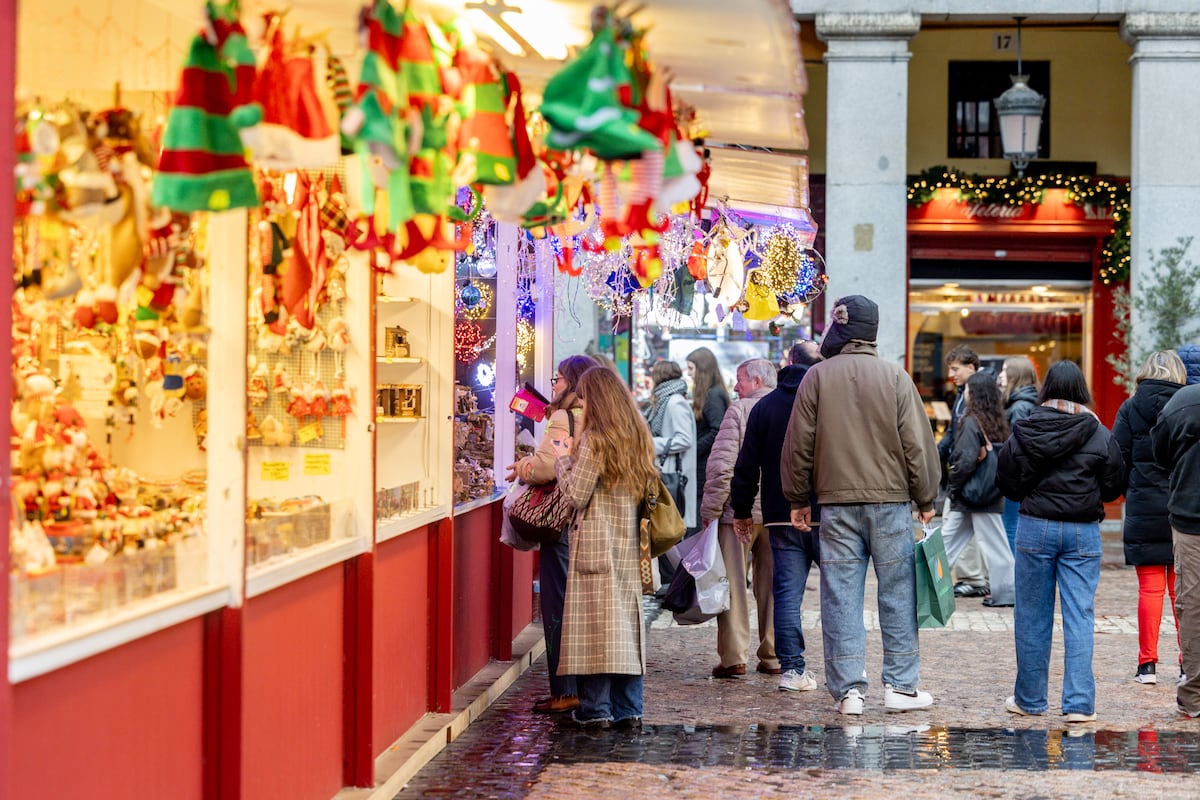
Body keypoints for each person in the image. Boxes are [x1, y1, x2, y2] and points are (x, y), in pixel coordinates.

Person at [782, 296, 940, 715]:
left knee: (840, 596)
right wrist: (927, 498)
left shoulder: (816, 377)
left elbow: (799, 444)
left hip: (835, 502)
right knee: (898, 595)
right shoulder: (895, 377)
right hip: (890, 502)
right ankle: (901, 686)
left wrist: (798, 498)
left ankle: (850, 690)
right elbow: (917, 446)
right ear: (873, 331)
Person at [997, 360, 1127, 723]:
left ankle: (1030, 699)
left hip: (1035, 526)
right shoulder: (1098, 431)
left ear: (1046, 388)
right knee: (1080, 615)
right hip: (1082, 530)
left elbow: (1006, 480)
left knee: (1032, 616)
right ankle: (1079, 704)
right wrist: (1088, 495)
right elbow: (1116, 483)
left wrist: (1027, 491)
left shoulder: (1025, 427)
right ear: (1081, 389)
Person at [553, 365, 660, 729]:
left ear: (594, 399)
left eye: (582, 399)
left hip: (597, 545)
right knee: (626, 631)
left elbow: (577, 494)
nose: (580, 406)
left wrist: (562, 463)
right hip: (630, 543)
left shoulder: (594, 440)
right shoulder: (636, 435)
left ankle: (595, 709)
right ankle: (629, 708)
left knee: (596, 632)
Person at [505, 355, 596, 714]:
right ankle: (585, 688)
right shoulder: (595, 416)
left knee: (557, 606)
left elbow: (546, 467)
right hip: (586, 522)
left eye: (558, 379)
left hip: (558, 523)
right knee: (580, 608)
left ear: (572, 383)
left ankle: (564, 691)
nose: (553, 384)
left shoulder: (563, 417)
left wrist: (522, 467)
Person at [732, 340, 823, 694]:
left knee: (786, 594)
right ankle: (846, 676)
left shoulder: (766, 406)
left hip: (779, 513)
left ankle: (793, 670)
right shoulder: (825, 402)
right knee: (838, 593)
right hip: (825, 512)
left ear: (789, 362)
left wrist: (741, 510)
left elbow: (746, 465)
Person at [699, 358, 778, 679]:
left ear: (756, 382)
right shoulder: (790, 406)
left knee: (732, 584)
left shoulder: (740, 411)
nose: (735, 386)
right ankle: (773, 654)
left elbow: (721, 467)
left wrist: (710, 511)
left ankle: (734, 657)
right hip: (777, 513)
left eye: (740, 380)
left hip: (738, 513)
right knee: (774, 587)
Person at [1113, 350, 1187, 686]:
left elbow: (1118, 457)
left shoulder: (1130, 408)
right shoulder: (1187, 405)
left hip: (1143, 503)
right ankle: (1188, 663)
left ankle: (1148, 665)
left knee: (1150, 588)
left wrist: (1123, 489)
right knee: (1182, 590)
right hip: (1183, 503)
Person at [943, 371, 1015, 607]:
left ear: (975, 393)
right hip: (986, 493)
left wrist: (952, 488)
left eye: (967, 390)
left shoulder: (971, 421)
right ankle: (927, 586)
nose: (965, 393)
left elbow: (963, 461)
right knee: (949, 543)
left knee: (949, 543)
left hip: (971, 494)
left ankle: (1006, 593)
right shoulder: (996, 420)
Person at [1151, 375, 1200, 717]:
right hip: (1188, 514)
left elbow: (1160, 452)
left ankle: (1194, 693)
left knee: (1193, 603)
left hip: (1190, 514)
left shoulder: (1183, 403)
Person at [939, 344, 990, 599]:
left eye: (955, 368)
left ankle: (972, 578)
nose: (951, 374)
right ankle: (977, 578)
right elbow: (952, 433)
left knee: (954, 526)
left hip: (969, 474)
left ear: (971, 367)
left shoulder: (976, 396)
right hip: (966, 472)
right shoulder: (963, 394)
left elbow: (965, 437)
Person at [646, 360, 698, 588]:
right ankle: (674, 584)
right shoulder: (666, 401)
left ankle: (679, 585)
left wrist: (651, 443)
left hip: (673, 474)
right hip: (668, 471)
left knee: (671, 532)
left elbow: (684, 439)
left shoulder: (674, 402)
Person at [687, 346, 731, 529]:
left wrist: (692, 451)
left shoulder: (712, 396)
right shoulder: (713, 394)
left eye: (691, 368)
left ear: (702, 369)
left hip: (705, 468)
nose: (688, 374)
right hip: (704, 467)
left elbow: (716, 430)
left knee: (699, 526)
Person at [999, 357, 1040, 553]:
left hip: (1016, 480)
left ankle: (1012, 577)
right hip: (1023, 479)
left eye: (1005, 370)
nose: (1000, 375)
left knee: (1010, 527)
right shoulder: (1027, 402)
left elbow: (1018, 446)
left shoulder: (1019, 406)